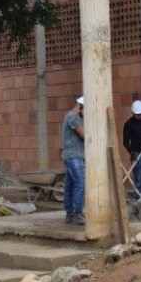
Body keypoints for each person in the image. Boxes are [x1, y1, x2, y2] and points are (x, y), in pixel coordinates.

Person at [62, 96, 85, 225]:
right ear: (80, 107)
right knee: (80, 183)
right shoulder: (73, 117)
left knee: (70, 186)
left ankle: (70, 214)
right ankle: (77, 213)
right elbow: (84, 134)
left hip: (72, 155)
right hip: (74, 156)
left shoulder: (72, 116)